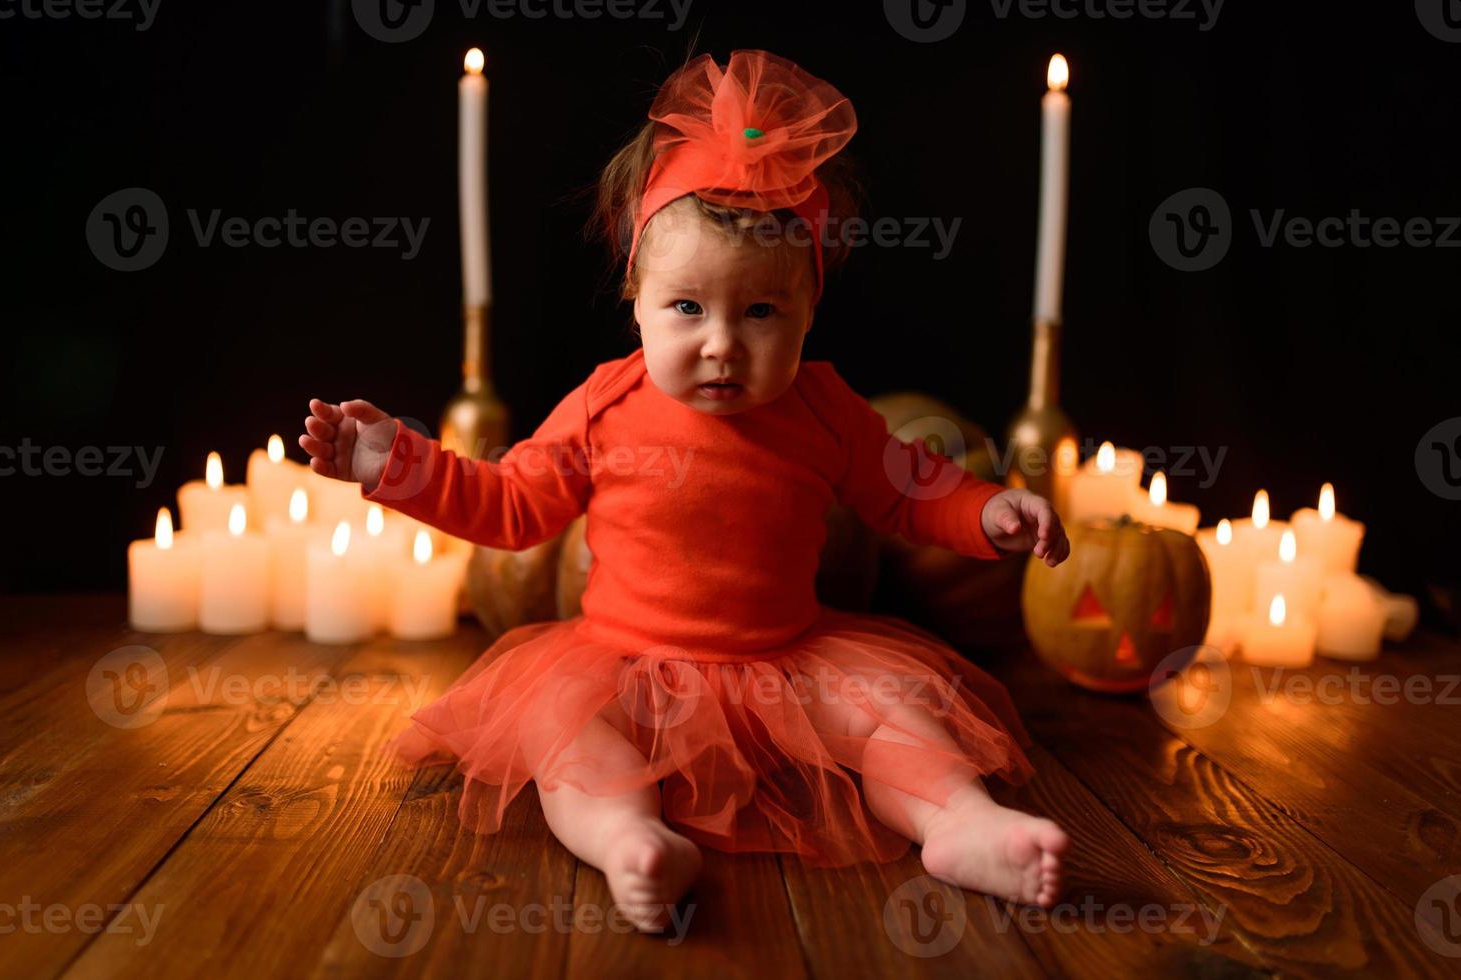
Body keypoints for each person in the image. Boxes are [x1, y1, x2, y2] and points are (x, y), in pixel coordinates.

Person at [300, 48, 1071, 935]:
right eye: (687, 309)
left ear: (808, 309)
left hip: (792, 660)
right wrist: (396, 463)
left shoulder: (822, 408)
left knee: (893, 715)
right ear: (637, 298)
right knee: (566, 738)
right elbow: (511, 507)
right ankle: (628, 840)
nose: (721, 344)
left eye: (760, 313)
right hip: (623, 664)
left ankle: (959, 825)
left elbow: (906, 490)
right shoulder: (605, 406)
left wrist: (984, 509)